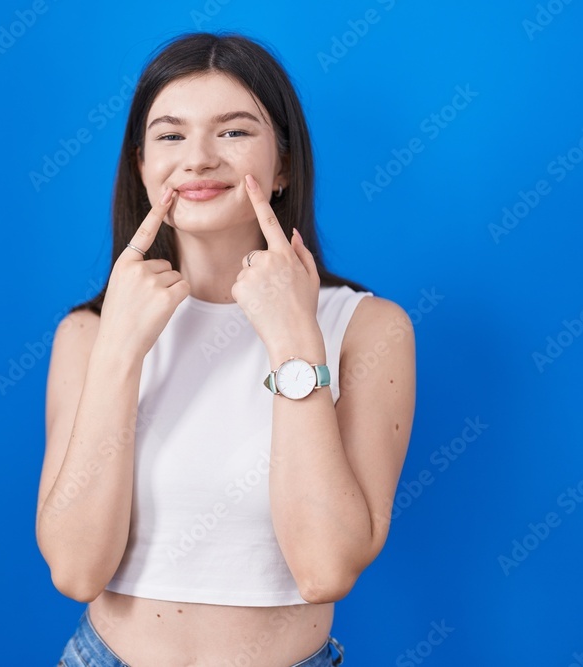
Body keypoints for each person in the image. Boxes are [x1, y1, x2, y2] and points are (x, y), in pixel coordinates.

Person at [36, 31, 415, 667]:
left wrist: (294, 338)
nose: (198, 159)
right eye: (170, 135)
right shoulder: (87, 334)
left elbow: (324, 569)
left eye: (234, 132)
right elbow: (76, 571)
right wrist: (120, 353)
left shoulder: (370, 328)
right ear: (140, 164)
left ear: (284, 164)